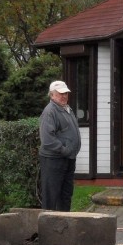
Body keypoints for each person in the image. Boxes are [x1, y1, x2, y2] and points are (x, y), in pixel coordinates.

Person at [39, 80, 81, 211]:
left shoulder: (67, 109)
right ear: (52, 95)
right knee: (51, 197)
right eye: (61, 93)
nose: (64, 96)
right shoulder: (50, 111)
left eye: (66, 93)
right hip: (54, 160)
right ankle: (48, 228)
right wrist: (64, 150)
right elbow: (47, 139)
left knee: (66, 195)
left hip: (67, 159)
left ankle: (64, 226)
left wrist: (70, 152)